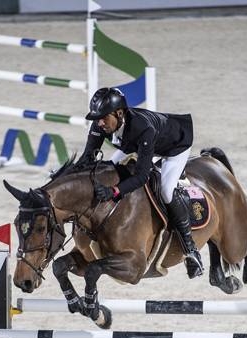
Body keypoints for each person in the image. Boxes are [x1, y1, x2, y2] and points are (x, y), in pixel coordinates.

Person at [76, 87, 203, 279]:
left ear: (119, 113)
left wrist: (114, 192)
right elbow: (87, 159)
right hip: (135, 144)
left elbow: (142, 176)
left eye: (103, 117)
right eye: (97, 118)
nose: (99, 122)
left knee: (167, 190)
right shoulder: (101, 124)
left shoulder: (143, 127)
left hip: (174, 146)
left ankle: (191, 249)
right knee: (110, 168)